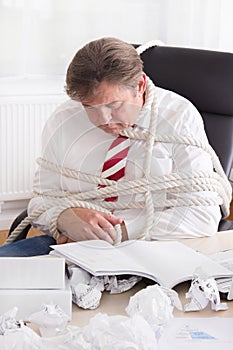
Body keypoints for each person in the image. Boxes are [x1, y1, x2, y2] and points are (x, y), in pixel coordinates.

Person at [0, 37, 231, 257]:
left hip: (150, 247)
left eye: (114, 105)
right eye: (89, 107)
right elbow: (41, 201)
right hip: (71, 245)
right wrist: (65, 218)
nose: (103, 119)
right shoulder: (65, 118)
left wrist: (114, 233)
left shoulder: (179, 117)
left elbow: (203, 215)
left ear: (139, 85)